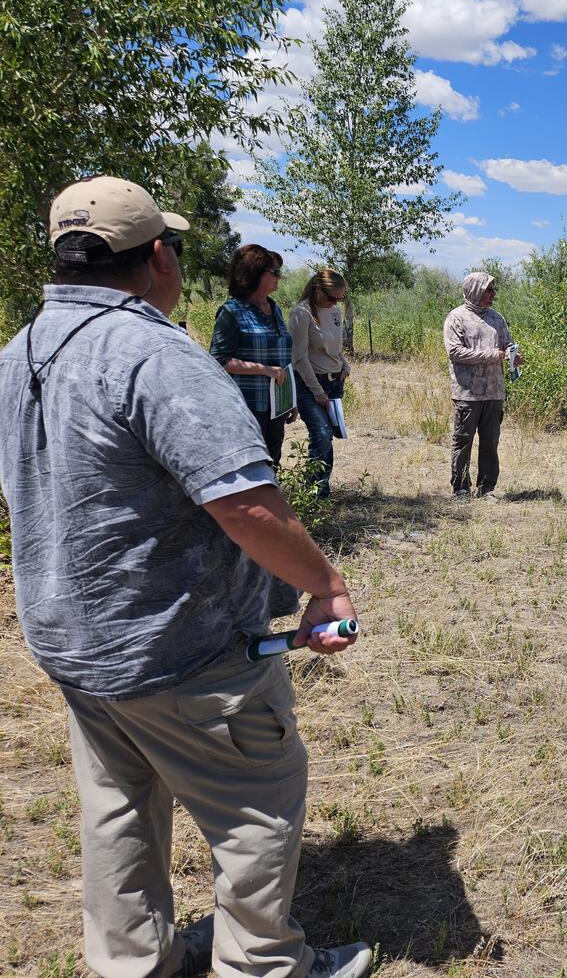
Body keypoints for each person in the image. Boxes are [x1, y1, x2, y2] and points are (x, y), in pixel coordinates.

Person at [0, 176, 372, 978]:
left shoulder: (18, 353)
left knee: (118, 810)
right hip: (182, 650)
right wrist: (326, 585)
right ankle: (263, 965)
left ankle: (135, 962)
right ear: (159, 257)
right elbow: (248, 509)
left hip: (77, 650)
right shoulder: (154, 353)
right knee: (258, 806)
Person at [211, 244, 296, 466]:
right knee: (249, 466)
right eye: (274, 272)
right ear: (254, 273)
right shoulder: (232, 311)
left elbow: (282, 358)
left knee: (272, 462)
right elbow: (219, 360)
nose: (280, 277)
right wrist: (263, 370)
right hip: (247, 407)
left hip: (276, 406)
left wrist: (290, 399)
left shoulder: (274, 308)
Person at [444, 271, 521, 498]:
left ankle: (487, 488)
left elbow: (507, 344)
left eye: (493, 290)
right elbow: (455, 352)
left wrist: (513, 354)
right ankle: (460, 488)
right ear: (475, 290)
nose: (493, 294)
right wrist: (491, 355)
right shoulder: (457, 317)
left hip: (494, 391)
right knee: (463, 441)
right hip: (467, 392)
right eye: (489, 290)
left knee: (490, 442)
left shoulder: (497, 318)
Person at [291, 270, 351, 498]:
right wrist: (317, 391)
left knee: (328, 436)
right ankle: (315, 494)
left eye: (340, 298)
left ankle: (318, 489)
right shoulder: (301, 313)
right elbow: (299, 357)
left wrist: (345, 366)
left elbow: (336, 347)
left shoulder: (334, 311)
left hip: (334, 383)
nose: (335, 303)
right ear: (318, 289)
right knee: (321, 434)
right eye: (332, 297)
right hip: (309, 386)